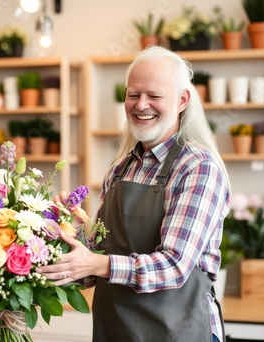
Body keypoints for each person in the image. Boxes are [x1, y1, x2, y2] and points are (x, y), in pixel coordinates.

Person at [37, 46, 231, 342]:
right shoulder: (120, 168)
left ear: (182, 100)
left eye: (154, 96)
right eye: (132, 95)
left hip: (178, 332)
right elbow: (94, 262)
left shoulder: (198, 168)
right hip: (115, 330)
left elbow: (175, 266)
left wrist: (98, 264)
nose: (141, 105)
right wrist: (60, 236)